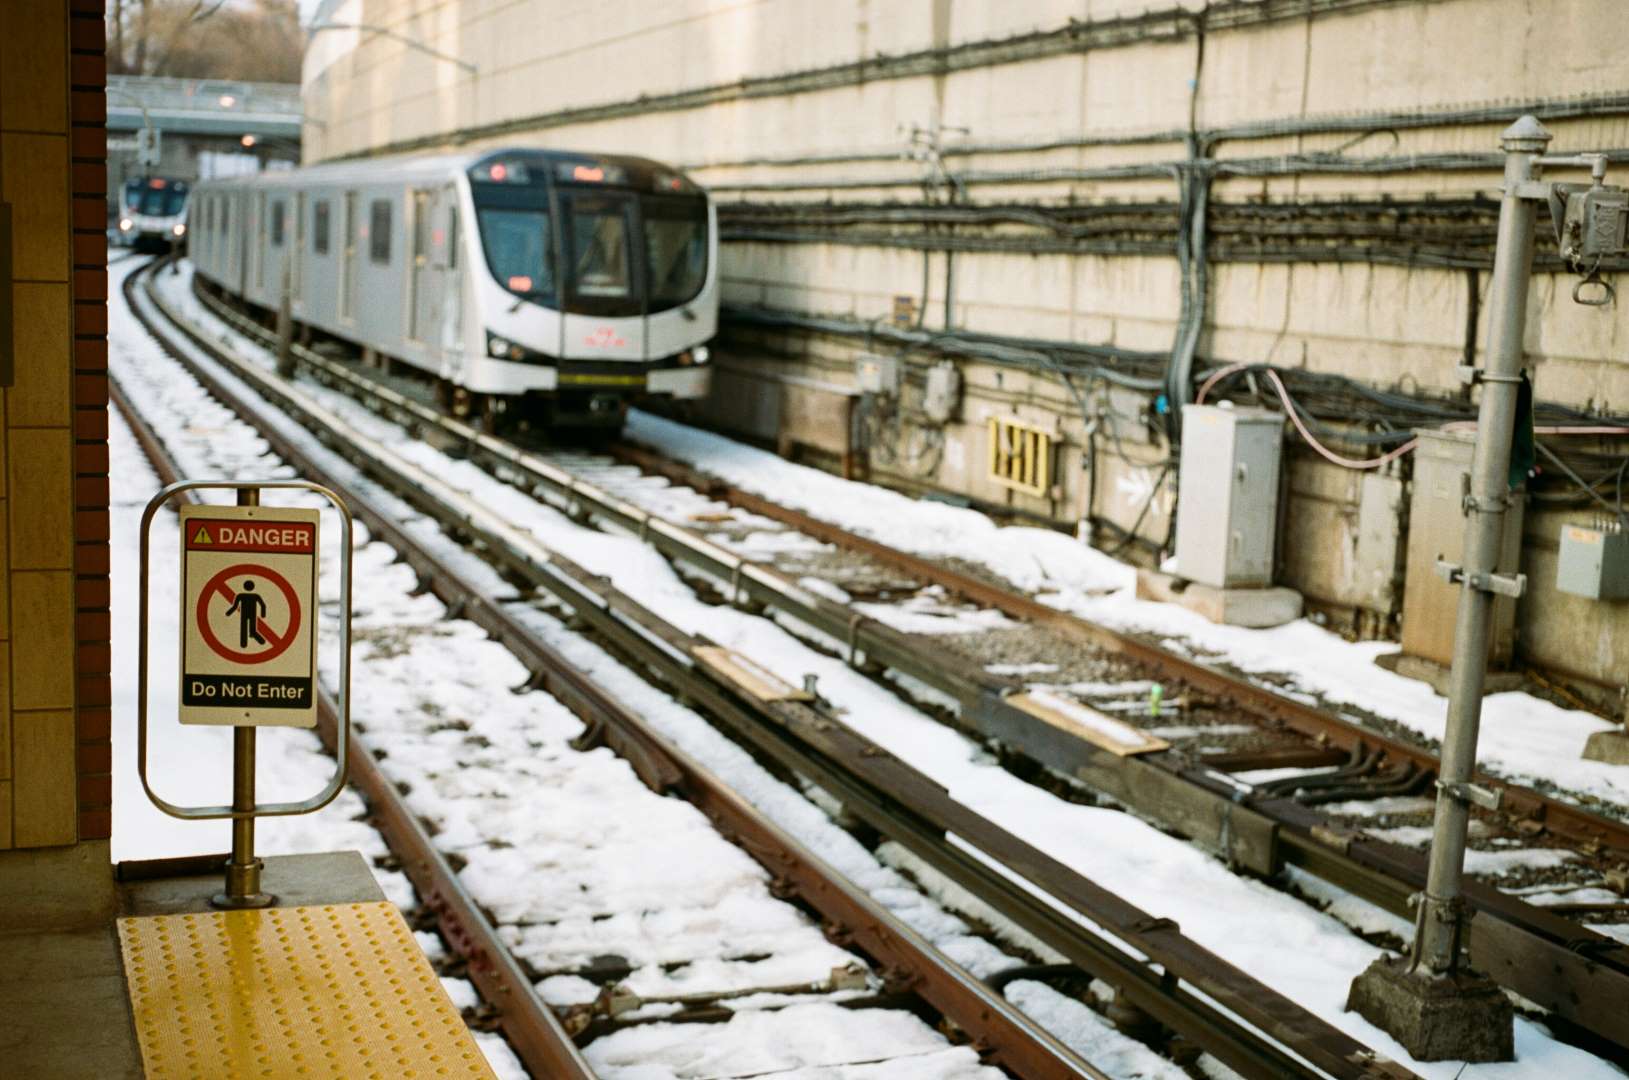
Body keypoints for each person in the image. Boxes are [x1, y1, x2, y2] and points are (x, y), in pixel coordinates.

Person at [225, 579, 268, 649]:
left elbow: (235, 606)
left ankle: (247, 643)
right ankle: (257, 641)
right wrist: (263, 614)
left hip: (245, 615)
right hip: (251, 614)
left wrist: (229, 613)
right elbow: (263, 605)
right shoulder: (255, 596)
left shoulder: (241, 595)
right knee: (250, 630)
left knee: (245, 629)